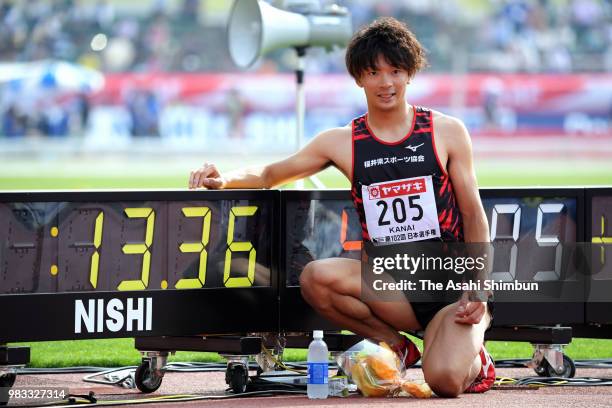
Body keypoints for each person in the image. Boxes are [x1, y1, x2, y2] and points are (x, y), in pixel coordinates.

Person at [188, 17, 494, 397]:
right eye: (374, 72)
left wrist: (478, 289)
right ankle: (397, 345)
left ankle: (474, 356)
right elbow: (270, 172)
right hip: (392, 286)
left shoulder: (446, 131)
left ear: (409, 74)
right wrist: (225, 178)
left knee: (445, 381)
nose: (386, 82)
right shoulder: (343, 141)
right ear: (358, 79)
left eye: (395, 71)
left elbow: (473, 214)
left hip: (448, 285)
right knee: (316, 277)